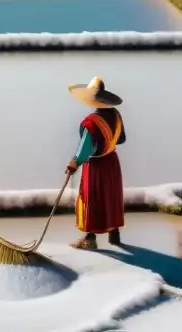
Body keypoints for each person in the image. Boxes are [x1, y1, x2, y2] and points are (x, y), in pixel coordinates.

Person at [65, 76, 126, 250]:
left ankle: (89, 239)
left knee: (91, 198)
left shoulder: (91, 123)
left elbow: (85, 149)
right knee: (111, 197)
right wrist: (108, 143)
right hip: (112, 162)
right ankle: (114, 236)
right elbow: (121, 139)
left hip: (96, 166)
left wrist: (74, 164)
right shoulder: (116, 115)